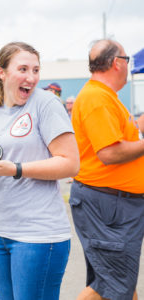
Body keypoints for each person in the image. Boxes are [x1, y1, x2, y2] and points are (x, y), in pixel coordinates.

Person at [0, 42, 80, 300]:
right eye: (23, 69)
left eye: (36, 70)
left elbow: (70, 163)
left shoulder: (46, 104)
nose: (31, 77)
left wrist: (16, 169)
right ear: (2, 72)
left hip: (39, 234)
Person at [70, 39, 144, 300]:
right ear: (116, 63)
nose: (128, 64)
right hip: (109, 205)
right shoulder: (97, 98)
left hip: (113, 204)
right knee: (113, 284)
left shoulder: (105, 97)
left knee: (115, 281)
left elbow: (126, 137)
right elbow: (109, 152)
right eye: (126, 59)